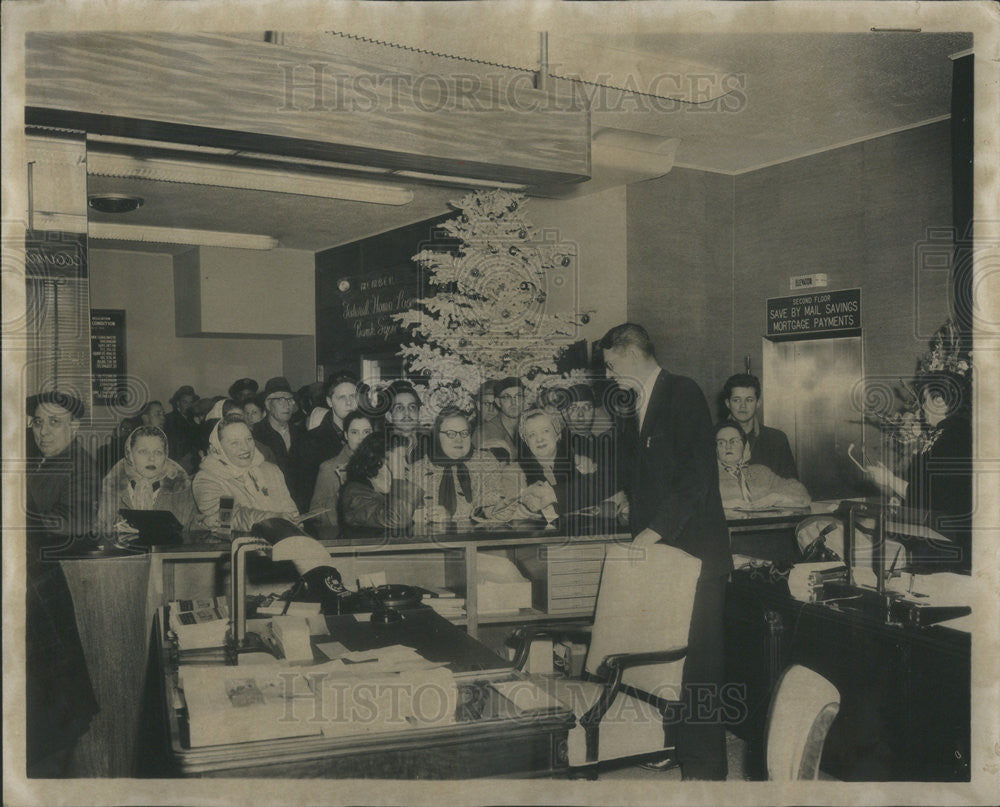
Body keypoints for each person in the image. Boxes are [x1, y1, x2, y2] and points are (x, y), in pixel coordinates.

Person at [600, 323, 731, 781]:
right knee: (667, 660)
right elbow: (654, 475)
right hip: (663, 554)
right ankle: (673, 747)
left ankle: (706, 770)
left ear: (632, 354)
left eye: (612, 365)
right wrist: (625, 497)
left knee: (700, 666)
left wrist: (652, 531)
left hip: (694, 557)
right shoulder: (638, 405)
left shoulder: (683, 392)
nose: (611, 375)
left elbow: (696, 476)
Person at [24, 392, 100, 776]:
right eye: (38, 421)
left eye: (55, 422)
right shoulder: (40, 460)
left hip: (45, 590)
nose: (44, 430)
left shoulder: (79, 465)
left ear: (75, 427)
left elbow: (79, 525)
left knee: (54, 706)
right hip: (32, 588)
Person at [864, 370, 972, 571]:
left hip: (946, 542)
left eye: (924, 399)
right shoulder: (951, 431)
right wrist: (901, 496)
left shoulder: (953, 436)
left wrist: (889, 480)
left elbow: (934, 495)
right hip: (941, 535)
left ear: (939, 400)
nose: (921, 407)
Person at [411, 407, 523, 523]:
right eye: (451, 434)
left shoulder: (485, 463)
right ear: (437, 436)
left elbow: (491, 504)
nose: (459, 440)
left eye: (464, 433)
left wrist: (453, 516)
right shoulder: (419, 469)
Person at [192, 415, 299, 531]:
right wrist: (274, 519)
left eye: (249, 439)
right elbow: (229, 518)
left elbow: (291, 512)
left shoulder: (271, 470)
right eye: (234, 443)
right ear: (218, 449)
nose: (245, 448)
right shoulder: (208, 480)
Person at [96, 425, 199, 536]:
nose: (151, 458)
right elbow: (99, 530)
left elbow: (192, 533)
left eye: (158, 452)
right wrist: (113, 532)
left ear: (166, 455)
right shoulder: (113, 485)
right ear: (130, 454)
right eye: (143, 451)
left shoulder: (181, 486)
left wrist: (202, 525)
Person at [517, 408, 614, 522]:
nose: (539, 439)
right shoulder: (518, 472)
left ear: (558, 435)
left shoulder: (582, 463)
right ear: (526, 442)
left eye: (545, 431)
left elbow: (613, 502)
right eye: (532, 435)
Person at [293, 372, 358, 510]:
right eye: (342, 397)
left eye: (353, 396)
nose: (349, 402)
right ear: (329, 402)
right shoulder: (309, 441)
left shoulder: (366, 436)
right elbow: (303, 492)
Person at [715, 422, 810, 511]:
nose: (728, 447)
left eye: (734, 441)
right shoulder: (709, 477)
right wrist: (725, 505)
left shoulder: (760, 472)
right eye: (721, 443)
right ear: (715, 449)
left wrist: (776, 498)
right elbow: (700, 505)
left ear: (745, 446)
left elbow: (802, 494)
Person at [339, 432, 427, 528]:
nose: (406, 465)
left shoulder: (394, 488)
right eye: (400, 459)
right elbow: (397, 520)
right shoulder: (354, 494)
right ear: (376, 460)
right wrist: (398, 474)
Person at [721, 373, 798, 480]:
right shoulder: (710, 439)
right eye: (736, 400)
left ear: (758, 403)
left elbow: (793, 484)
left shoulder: (777, 440)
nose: (743, 406)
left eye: (749, 400)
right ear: (727, 403)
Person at [309, 410, 374, 529]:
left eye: (366, 432)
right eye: (354, 432)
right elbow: (316, 513)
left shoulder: (383, 465)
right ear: (346, 435)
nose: (361, 438)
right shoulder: (330, 468)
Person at [251, 377, 305, 493]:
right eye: (280, 399)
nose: (286, 405)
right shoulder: (256, 434)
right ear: (268, 404)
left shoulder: (301, 433)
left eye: (289, 399)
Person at [476, 376, 526, 461]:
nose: (514, 402)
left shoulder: (531, 424)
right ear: (498, 402)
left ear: (524, 400)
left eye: (518, 396)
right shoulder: (484, 432)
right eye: (507, 397)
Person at [383, 380, 430, 466]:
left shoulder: (430, 445)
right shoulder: (382, 447)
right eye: (399, 408)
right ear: (389, 416)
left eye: (412, 407)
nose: (407, 413)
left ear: (419, 414)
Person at [163, 385, 199, 474]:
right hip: (178, 464)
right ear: (177, 403)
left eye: (191, 402)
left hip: (193, 464)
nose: (188, 406)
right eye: (185, 402)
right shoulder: (169, 419)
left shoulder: (194, 420)